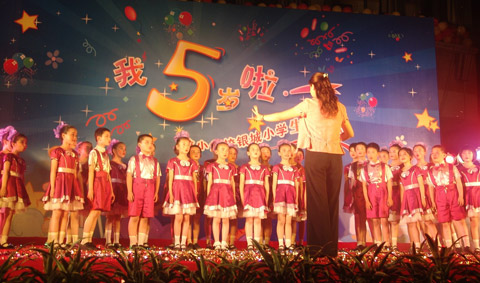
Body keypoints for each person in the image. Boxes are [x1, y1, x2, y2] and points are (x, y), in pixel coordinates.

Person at [253, 72, 354, 256]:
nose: (310, 90)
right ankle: (331, 249)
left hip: (316, 154)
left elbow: (282, 115)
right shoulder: (339, 107)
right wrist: (333, 139)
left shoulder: (308, 104)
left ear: (315, 88)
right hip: (335, 157)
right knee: (331, 203)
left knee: (317, 202)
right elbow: (349, 133)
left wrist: (262, 118)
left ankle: (317, 249)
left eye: (310, 87)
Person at [43, 123, 84, 247]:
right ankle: (53, 240)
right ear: (63, 135)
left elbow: (76, 174)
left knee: (66, 212)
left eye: (76, 135)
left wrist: (77, 190)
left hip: (71, 184)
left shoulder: (75, 154)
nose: (74, 138)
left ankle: (61, 240)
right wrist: (53, 188)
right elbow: (53, 171)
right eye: (72, 135)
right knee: (57, 212)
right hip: (60, 183)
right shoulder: (57, 151)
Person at [427, 145, 469, 250]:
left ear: (444, 155)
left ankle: (466, 244)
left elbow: (458, 182)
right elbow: (431, 188)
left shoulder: (451, 167)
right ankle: (450, 247)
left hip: (453, 193)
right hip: (440, 195)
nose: (434, 155)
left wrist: (460, 196)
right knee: (444, 222)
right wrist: (433, 202)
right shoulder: (430, 171)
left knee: (458, 220)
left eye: (437, 152)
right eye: (433, 153)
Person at [162, 131, 198, 250]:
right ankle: (176, 242)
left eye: (188, 144)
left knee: (187, 217)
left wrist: (195, 194)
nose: (186, 147)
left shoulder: (192, 163)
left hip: (188, 191)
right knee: (178, 217)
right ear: (177, 146)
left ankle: (184, 243)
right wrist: (171, 194)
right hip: (177, 190)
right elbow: (170, 180)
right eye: (183, 144)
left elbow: (194, 180)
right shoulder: (173, 161)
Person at [81, 127, 115, 249]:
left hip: (105, 184)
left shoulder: (106, 155)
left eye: (109, 136)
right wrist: (90, 189)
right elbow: (91, 171)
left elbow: (108, 174)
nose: (109, 139)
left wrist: (110, 190)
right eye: (106, 136)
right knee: (94, 211)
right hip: (97, 183)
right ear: (98, 138)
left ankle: (89, 240)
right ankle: (84, 240)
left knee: (98, 212)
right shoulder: (94, 153)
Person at [127, 134, 161, 248]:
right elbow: (129, 176)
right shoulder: (134, 159)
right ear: (139, 145)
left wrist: (156, 192)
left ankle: (141, 243)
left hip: (150, 188)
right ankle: (133, 243)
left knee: (145, 216)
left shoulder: (155, 161)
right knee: (135, 216)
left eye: (151, 142)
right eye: (146, 142)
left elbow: (157, 178)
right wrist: (129, 191)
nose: (150, 144)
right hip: (137, 187)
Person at [204, 139, 237, 250]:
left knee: (226, 219)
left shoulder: (231, 167)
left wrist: (233, 195)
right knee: (217, 218)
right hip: (215, 193)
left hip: (227, 194)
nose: (225, 152)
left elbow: (232, 182)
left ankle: (224, 242)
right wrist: (209, 197)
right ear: (216, 151)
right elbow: (209, 183)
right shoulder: (212, 166)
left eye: (227, 150)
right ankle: (216, 242)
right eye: (222, 149)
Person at [0, 129, 30, 248]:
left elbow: (21, 176)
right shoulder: (8, 157)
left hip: (16, 187)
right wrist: (3, 188)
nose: (24, 145)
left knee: (10, 213)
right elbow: (6, 172)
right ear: (13, 143)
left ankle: (4, 240)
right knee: (5, 213)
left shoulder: (21, 160)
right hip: (8, 186)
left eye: (25, 143)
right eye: (21, 142)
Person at [361, 142, 393, 248]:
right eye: (368, 152)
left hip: (383, 192)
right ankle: (378, 243)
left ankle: (387, 243)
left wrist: (389, 197)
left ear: (378, 153)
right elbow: (364, 185)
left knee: (384, 219)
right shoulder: (364, 168)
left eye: (373, 152)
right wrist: (366, 200)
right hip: (371, 193)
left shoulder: (385, 166)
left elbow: (389, 181)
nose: (370, 154)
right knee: (374, 220)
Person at [239, 143, 270, 250]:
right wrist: (243, 199)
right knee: (249, 220)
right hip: (248, 194)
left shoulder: (264, 168)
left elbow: (266, 184)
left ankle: (257, 243)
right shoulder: (244, 167)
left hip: (260, 195)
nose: (255, 151)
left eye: (257, 149)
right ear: (248, 153)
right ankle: (249, 244)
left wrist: (266, 198)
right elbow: (241, 184)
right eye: (253, 149)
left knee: (258, 220)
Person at [272, 139, 299, 251]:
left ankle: (288, 244)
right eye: (284, 150)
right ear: (279, 153)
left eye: (289, 150)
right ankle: (281, 244)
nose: (287, 153)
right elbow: (274, 184)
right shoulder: (277, 167)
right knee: (281, 220)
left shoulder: (295, 169)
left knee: (289, 221)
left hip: (291, 196)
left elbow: (297, 186)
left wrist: (296, 198)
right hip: (280, 196)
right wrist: (274, 198)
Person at [398, 147, 425, 252]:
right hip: (407, 198)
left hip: (415, 195)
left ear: (410, 156)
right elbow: (401, 189)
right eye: (400, 155)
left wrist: (422, 197)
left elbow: (421, 183)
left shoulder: (415, 169)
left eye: (405, 154)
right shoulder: (400, 172)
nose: (402, 156)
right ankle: (413, 245)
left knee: (417, 222)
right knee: (410, 223)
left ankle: (418, 246)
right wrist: (402, 202)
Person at [348, 142, 372, 250]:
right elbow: (351, 182)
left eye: (362, 148)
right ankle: (360, 243)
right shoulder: (352, 166)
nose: (360, 150)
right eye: (358, 149)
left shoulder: (370, 163)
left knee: (371, 217)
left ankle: (375, 241)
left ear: (366, 150)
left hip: (369, 192)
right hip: (357, 193)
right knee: (358, 217)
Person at [105, 139, 128, 248]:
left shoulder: (126, 165)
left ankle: (117, 241)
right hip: (112, 189)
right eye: (120, 148)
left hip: (122, 190)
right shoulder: (109, 163)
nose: (123, 151)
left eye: (125, 149)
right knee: (110, 216)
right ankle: (108, 240)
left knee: (118, 216)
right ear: (113, 150)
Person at [457, 146, 480, 251]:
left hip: (478, 194)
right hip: (465, 195)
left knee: (475, 220)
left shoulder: (478, 167)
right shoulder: (457, 168)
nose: (467, 155)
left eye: (469, 153)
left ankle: (477, 246)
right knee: (467, 221)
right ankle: (471, 246)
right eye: (464, 153)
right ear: (461, 155)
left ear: (473, 155)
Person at [413, 143, 437, 239]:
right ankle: (428, 242)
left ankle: (438, 243)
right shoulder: (413, 168)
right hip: (418, 193)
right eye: (415, 151)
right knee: (423, 221)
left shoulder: (431, 165)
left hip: (431, 192)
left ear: (425, 152)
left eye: (419, 150)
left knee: (432, 221)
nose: (417, 152)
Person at [0, 126, 16, 241]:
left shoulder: (13, 158)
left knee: (8, 213)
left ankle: (3, 239)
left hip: (9, 187)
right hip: (2, 185)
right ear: (5, 141)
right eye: (12, 141)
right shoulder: (1, 156)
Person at [187, 144, 203, 249]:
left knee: (196, 219)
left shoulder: (203, 168)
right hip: (188, 194)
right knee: (188, 218)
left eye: (198, 152)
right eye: (193, 152)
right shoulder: (187, 165)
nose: (196, 154)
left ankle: (195, 241)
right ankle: (188, 241)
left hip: (200, 194)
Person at [388, 143, 403, 250]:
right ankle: (388, 243)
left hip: (398, 193)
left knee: (394, 220)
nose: (391, 153)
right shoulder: (387, 166)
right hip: (387, 194)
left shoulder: (403, 166)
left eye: (394, 151)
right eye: (390, 151)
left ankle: (394, 244)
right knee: (387, 220)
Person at [259, 143, 274, 247]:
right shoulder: (255, 167)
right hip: (258, 195)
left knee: (268, 219)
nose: (265, 153)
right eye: (263, 151)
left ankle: (267, 243)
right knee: (259, 219)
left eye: (267, 151)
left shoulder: (274, 168)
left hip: (270, 196)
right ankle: (259, 243)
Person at [227, 144, 241, 249]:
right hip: (225, 194)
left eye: (234, 154)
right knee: (225, 218)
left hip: (237, 195)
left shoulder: (240, 168)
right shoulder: (223, 166)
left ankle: (231, 242)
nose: (232, 155)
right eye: (230, 153)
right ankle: (223, 241)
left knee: (234, 219)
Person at [343, 143, 358, 214]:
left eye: (354, 150)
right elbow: (346, 182)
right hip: (351, 192)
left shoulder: (365, 164)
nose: (352, 153)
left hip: (362, 191)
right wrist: (346, 196)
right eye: (351, 151)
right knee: (356, 216)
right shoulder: (347, 167)